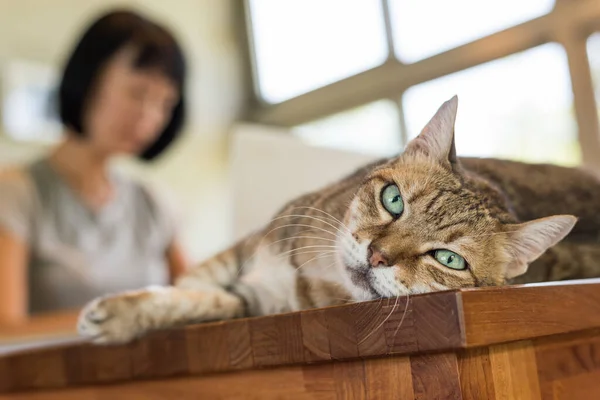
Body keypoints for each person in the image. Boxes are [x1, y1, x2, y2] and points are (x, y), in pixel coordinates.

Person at [0, 9, 189, 325]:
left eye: (165, 103)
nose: (149, 116)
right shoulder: (15, 193)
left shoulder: (152, 202)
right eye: (137, 92)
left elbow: (198, 304)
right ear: (89, 79)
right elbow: (7, 332)